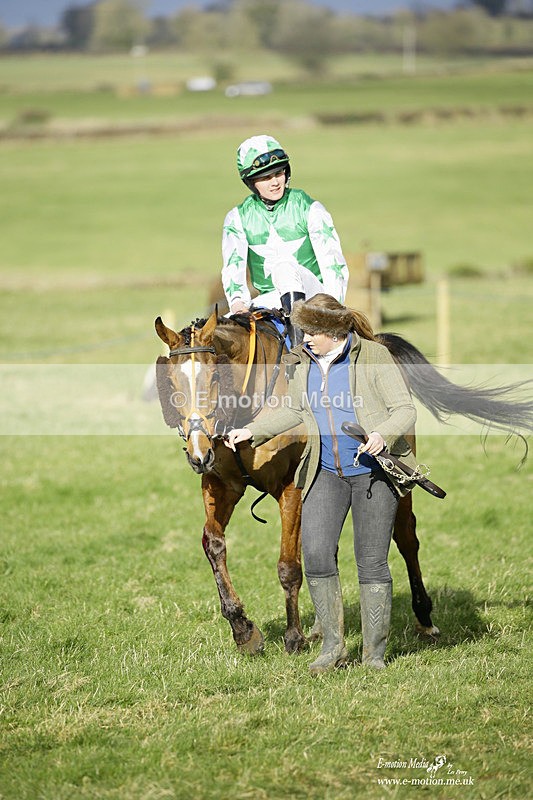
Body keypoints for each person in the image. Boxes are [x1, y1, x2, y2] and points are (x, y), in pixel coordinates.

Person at [224, 293, 418, 675]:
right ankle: (332, 647)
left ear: (334, 330)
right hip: (325, 471)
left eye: (312, 331)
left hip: (373, 472)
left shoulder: (374, 357)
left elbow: (405, 409)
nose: (305, 337)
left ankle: (373, 654)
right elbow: (294, 410)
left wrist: (381, 433)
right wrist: (250, 431)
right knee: (314, 555)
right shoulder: (302, 363)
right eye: (304, 330)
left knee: (371, 561)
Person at [221, 134, 349, 345]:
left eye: (278, 173)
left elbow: (333, 263)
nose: (275, 182)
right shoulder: (237, 217)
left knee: (284, 269)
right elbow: (232, 267)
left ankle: (300, 350)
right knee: (218, 333)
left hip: (314, 295)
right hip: (269, 299)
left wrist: (332, 310)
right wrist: (237, 303)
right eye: (265, 178)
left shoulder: (309, 207)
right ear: (250, 182)